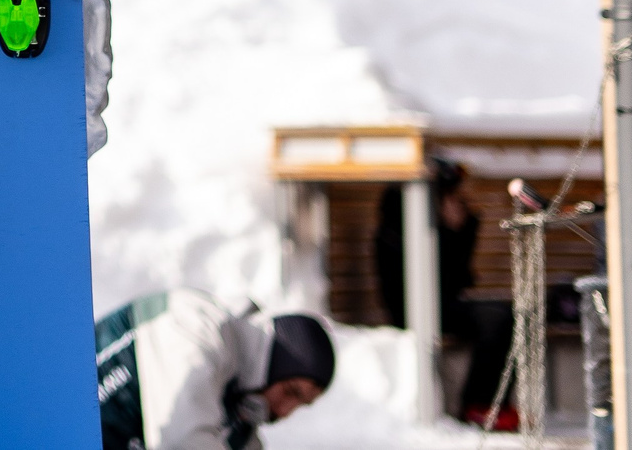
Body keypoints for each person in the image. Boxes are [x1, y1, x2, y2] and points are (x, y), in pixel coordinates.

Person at [94, 288, 335, 450]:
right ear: (273, 364)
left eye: (301, 405)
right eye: (291, 391)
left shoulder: (236, 414)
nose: (284, 411)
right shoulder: (196, 325)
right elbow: (184, 440)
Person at [375, 158, 513, 425]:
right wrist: (450, 232)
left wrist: (461, 228)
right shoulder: (399, 226)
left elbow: (458, 278)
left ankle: (492, 403)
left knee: (509, 314)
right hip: (413, 308)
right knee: (496, 319)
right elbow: (427, 277)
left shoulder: (435, 225)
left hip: (441, 303)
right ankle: (476, 404)